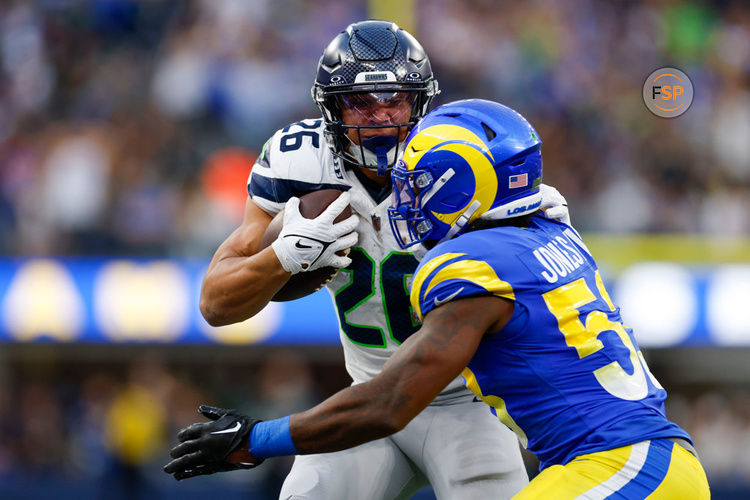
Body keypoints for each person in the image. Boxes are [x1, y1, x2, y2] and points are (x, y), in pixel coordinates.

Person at [165, 99, 711, 499]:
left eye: (418, 182)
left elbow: (389, 401)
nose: (402, 196)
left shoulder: (473, 266)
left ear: (462, 187)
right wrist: (281, 256)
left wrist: (256, 438)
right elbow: (219, 302)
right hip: (641, 462)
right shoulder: (551, 231)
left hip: (618, 465)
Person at [196, 20, 569, 499]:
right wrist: (283, 256)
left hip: (469, 402)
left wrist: (538, 230)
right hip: (365, 393)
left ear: (419, 102)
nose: (380, 118)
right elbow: (215, 303)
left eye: (394, 100)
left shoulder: (461, 161)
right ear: (331, 107)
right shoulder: (300, 163)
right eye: (360, 103)